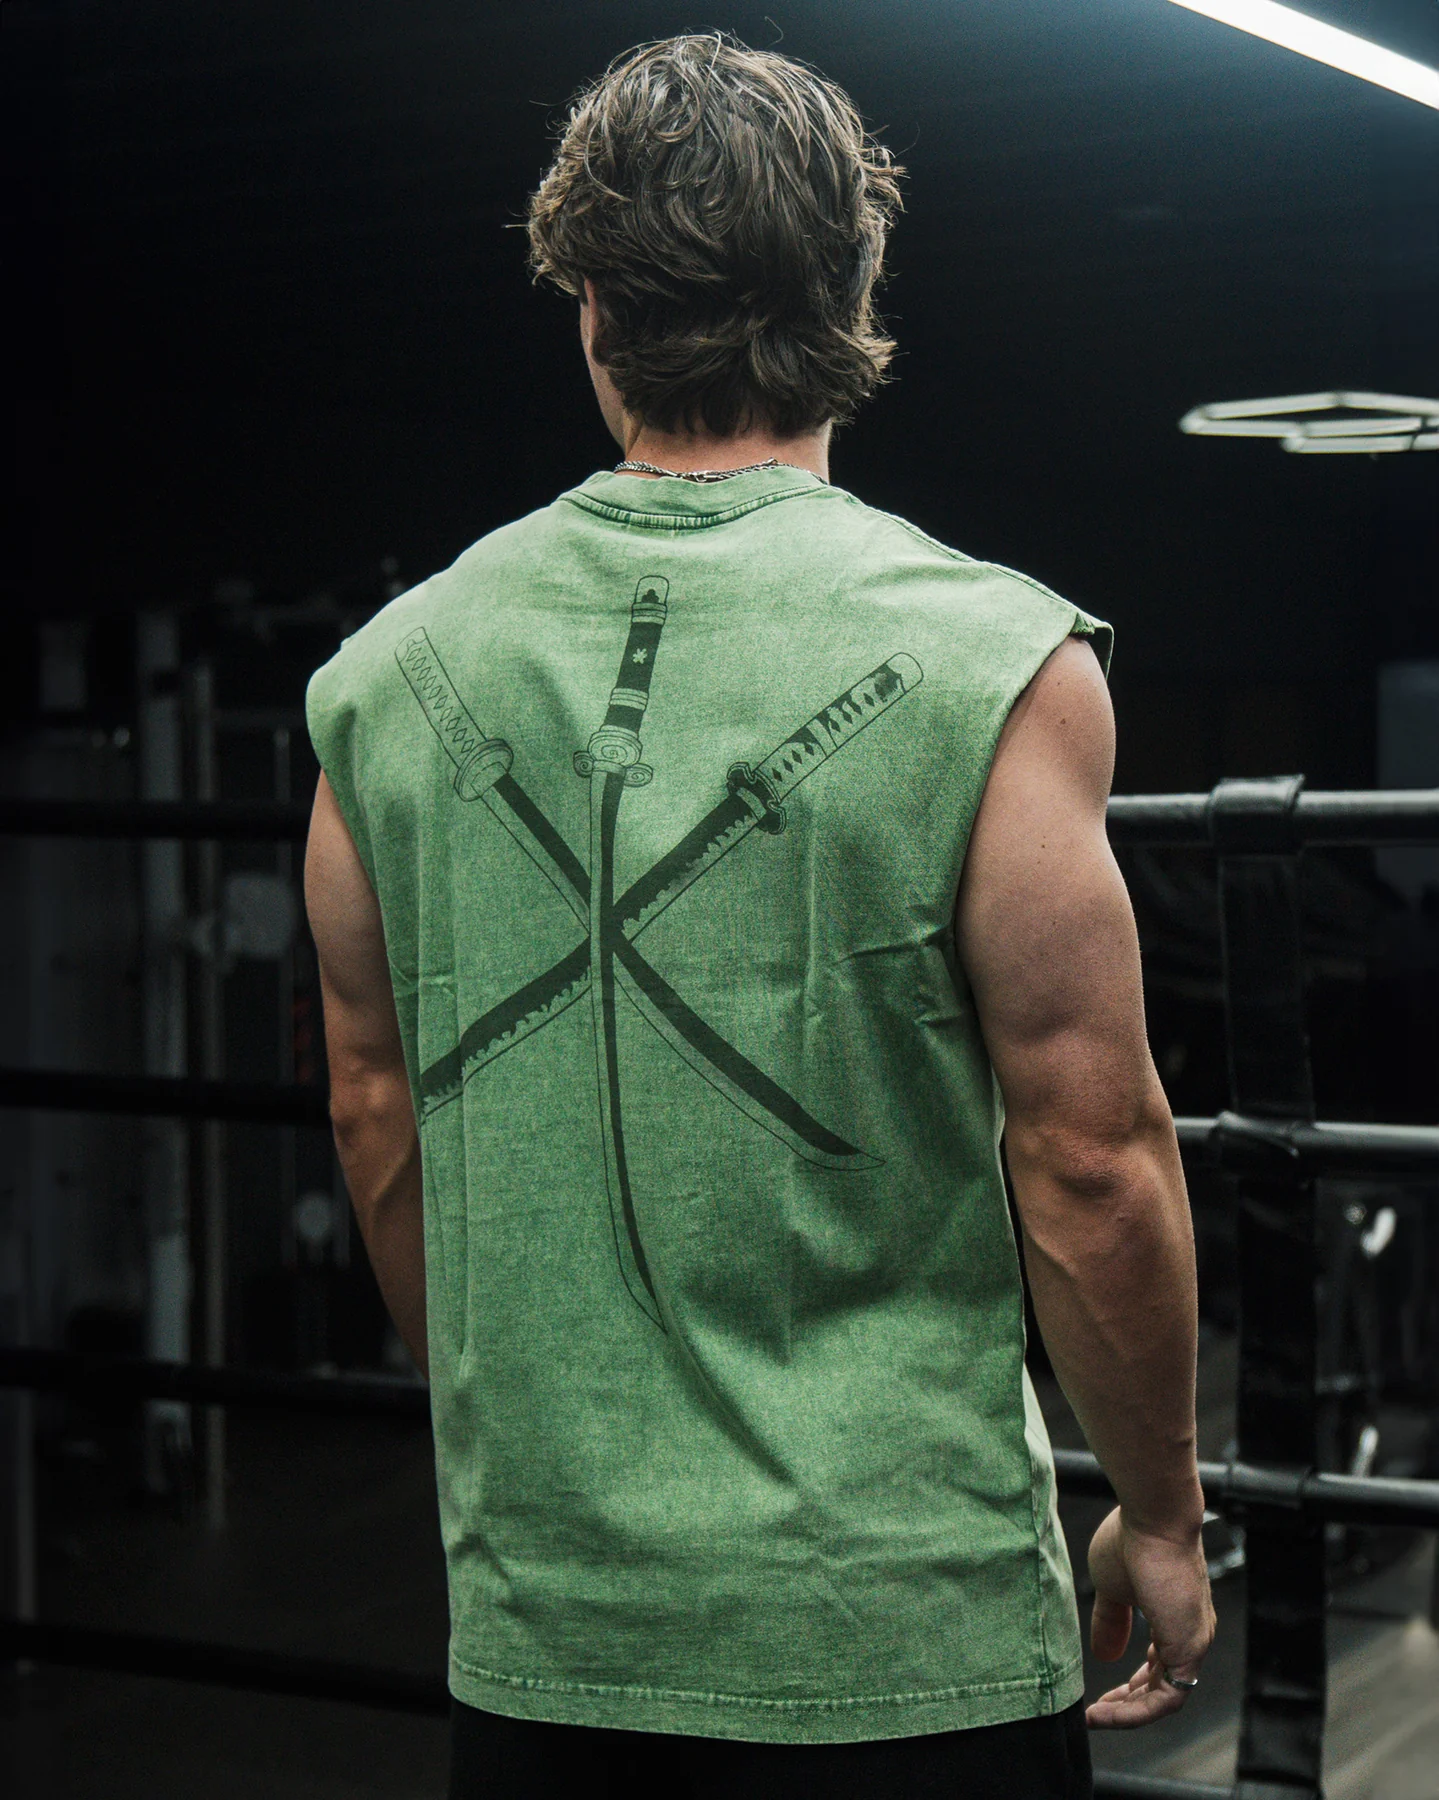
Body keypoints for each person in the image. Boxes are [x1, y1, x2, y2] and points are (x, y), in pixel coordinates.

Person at [303, 34, 1214, 1800]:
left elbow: (369, 1104)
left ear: (589, 308)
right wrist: (1161, 1517)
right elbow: (1090, 1157)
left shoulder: (385, 679)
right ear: (853, 292)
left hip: (552, 1636)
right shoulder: (995, 659)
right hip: (912, 1648)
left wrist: (537, 1437)